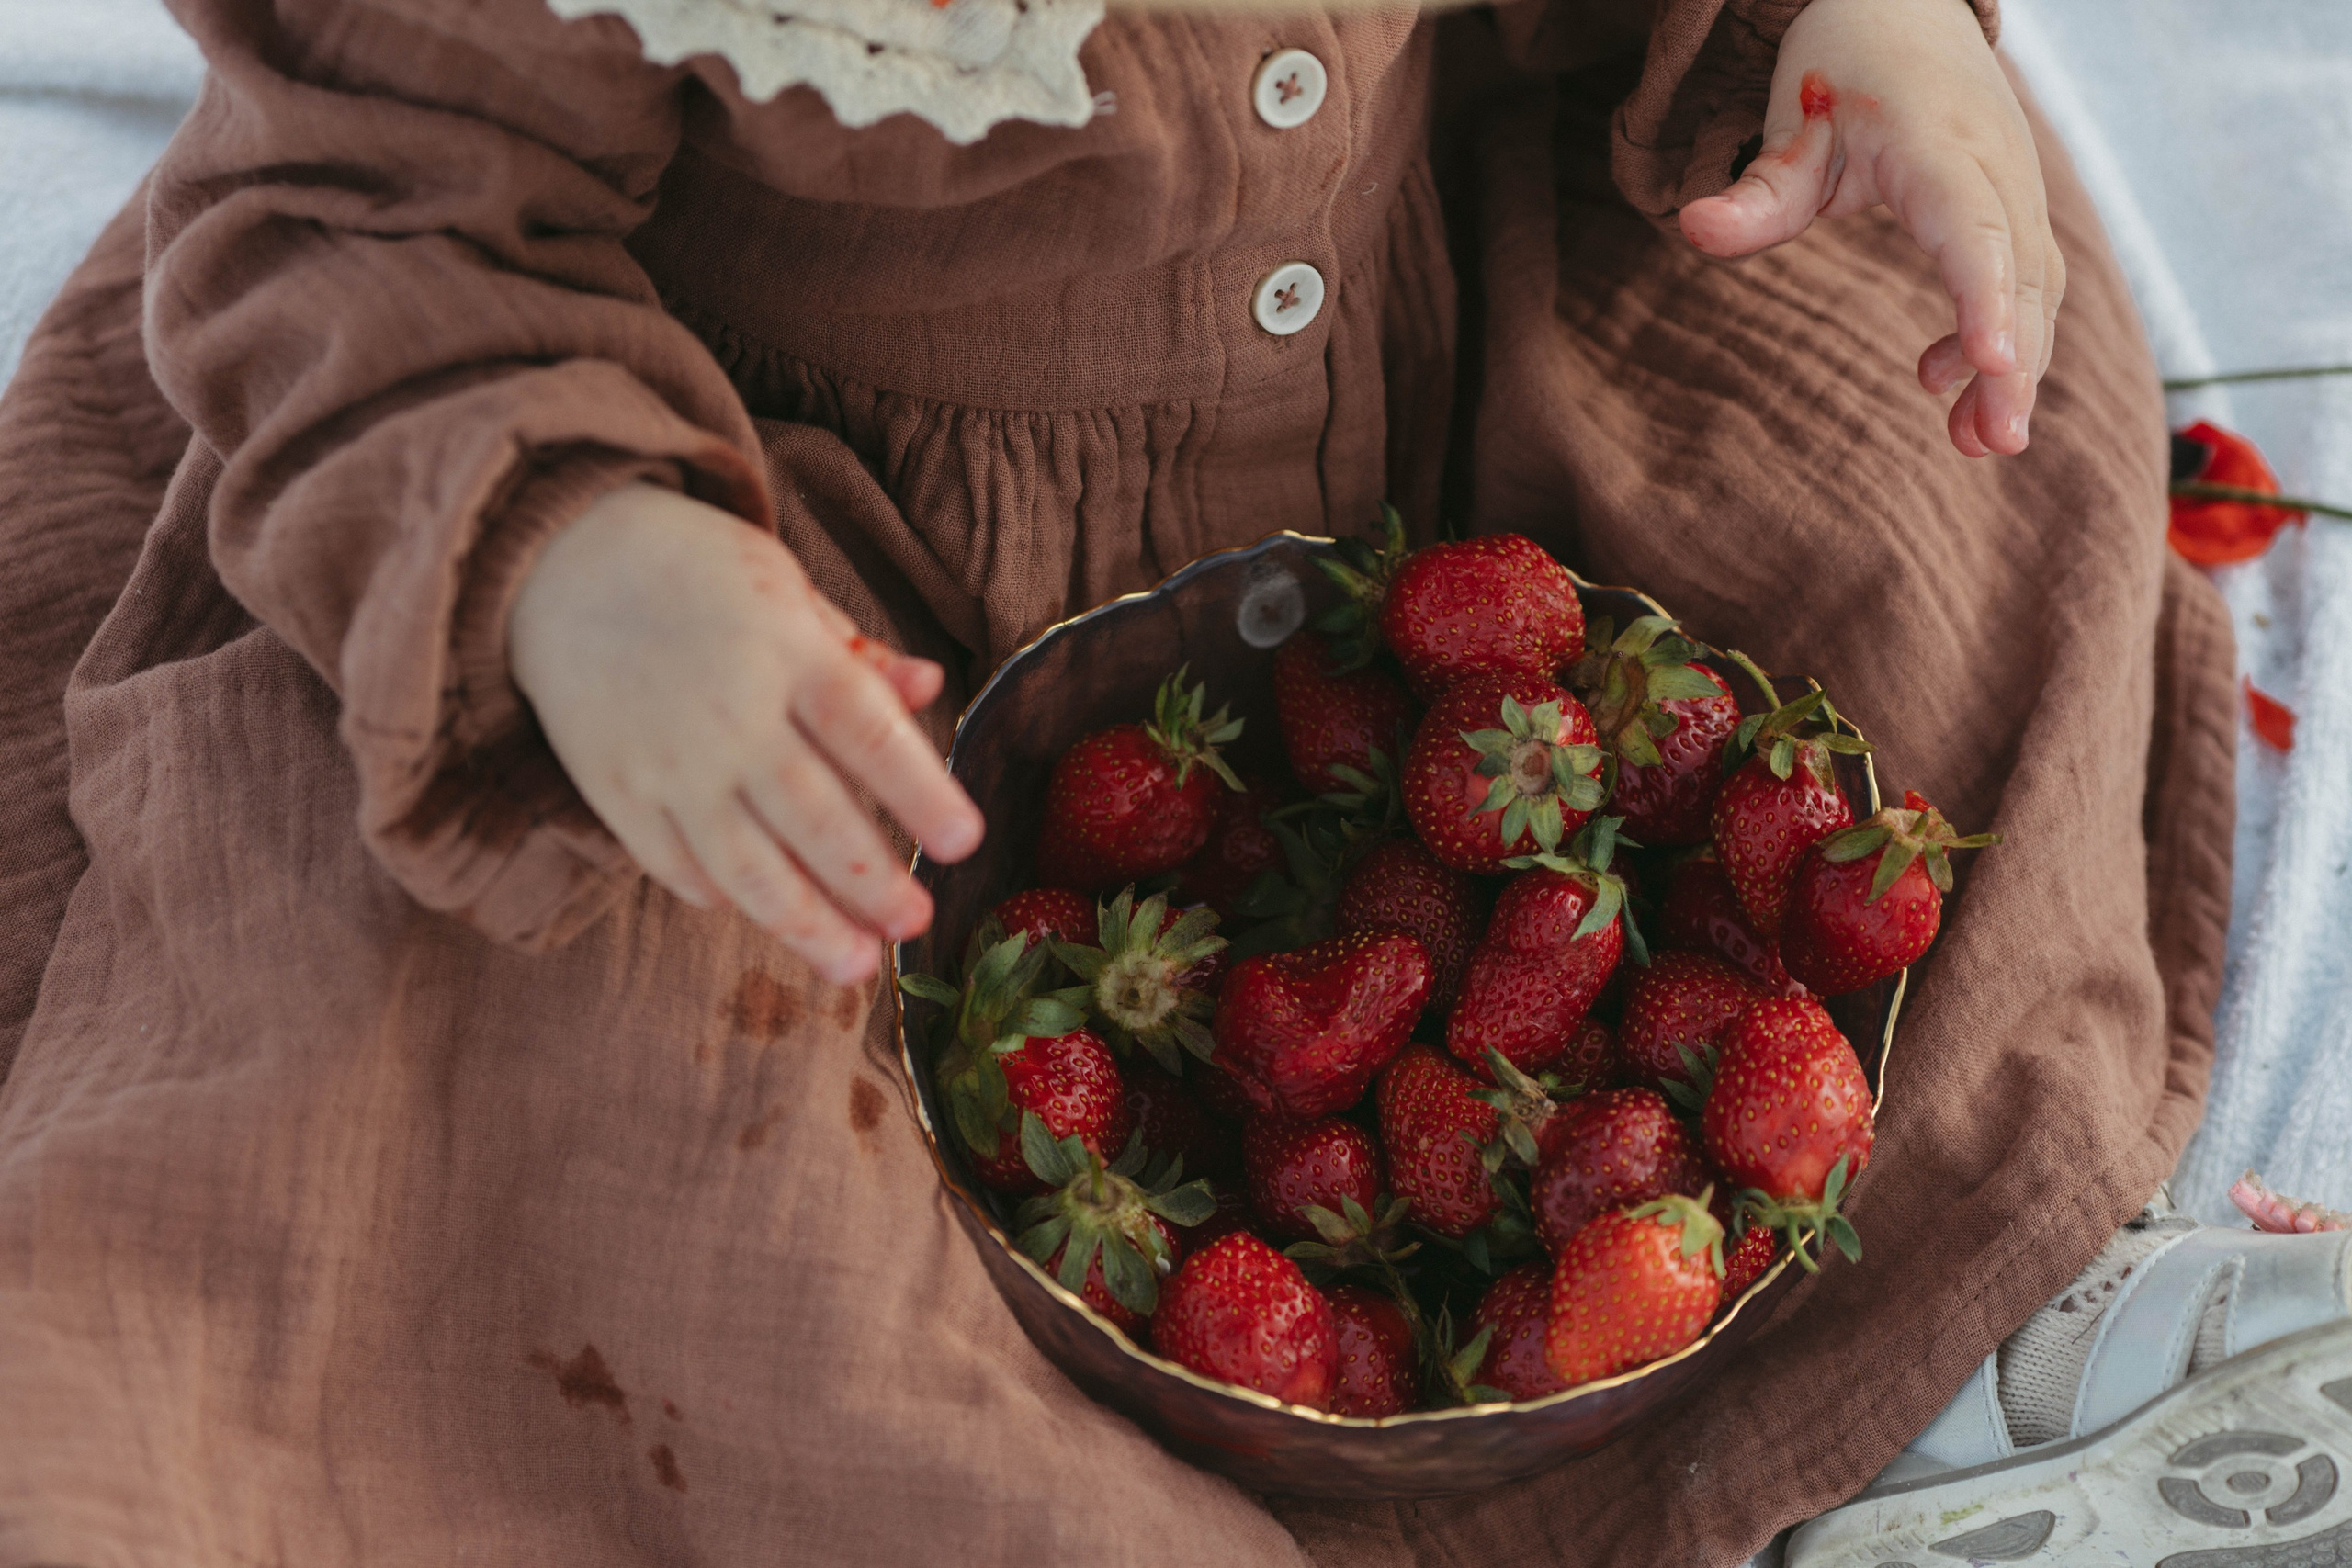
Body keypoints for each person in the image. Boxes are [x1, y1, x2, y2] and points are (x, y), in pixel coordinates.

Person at [0, 0, 2249, 1562]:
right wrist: (580, 567)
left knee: (1911, 511)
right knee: (593, 1076)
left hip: (1436, 344)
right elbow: (348, 224)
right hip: (771, 571)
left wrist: (1825, 42)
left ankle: (1935, 1346)